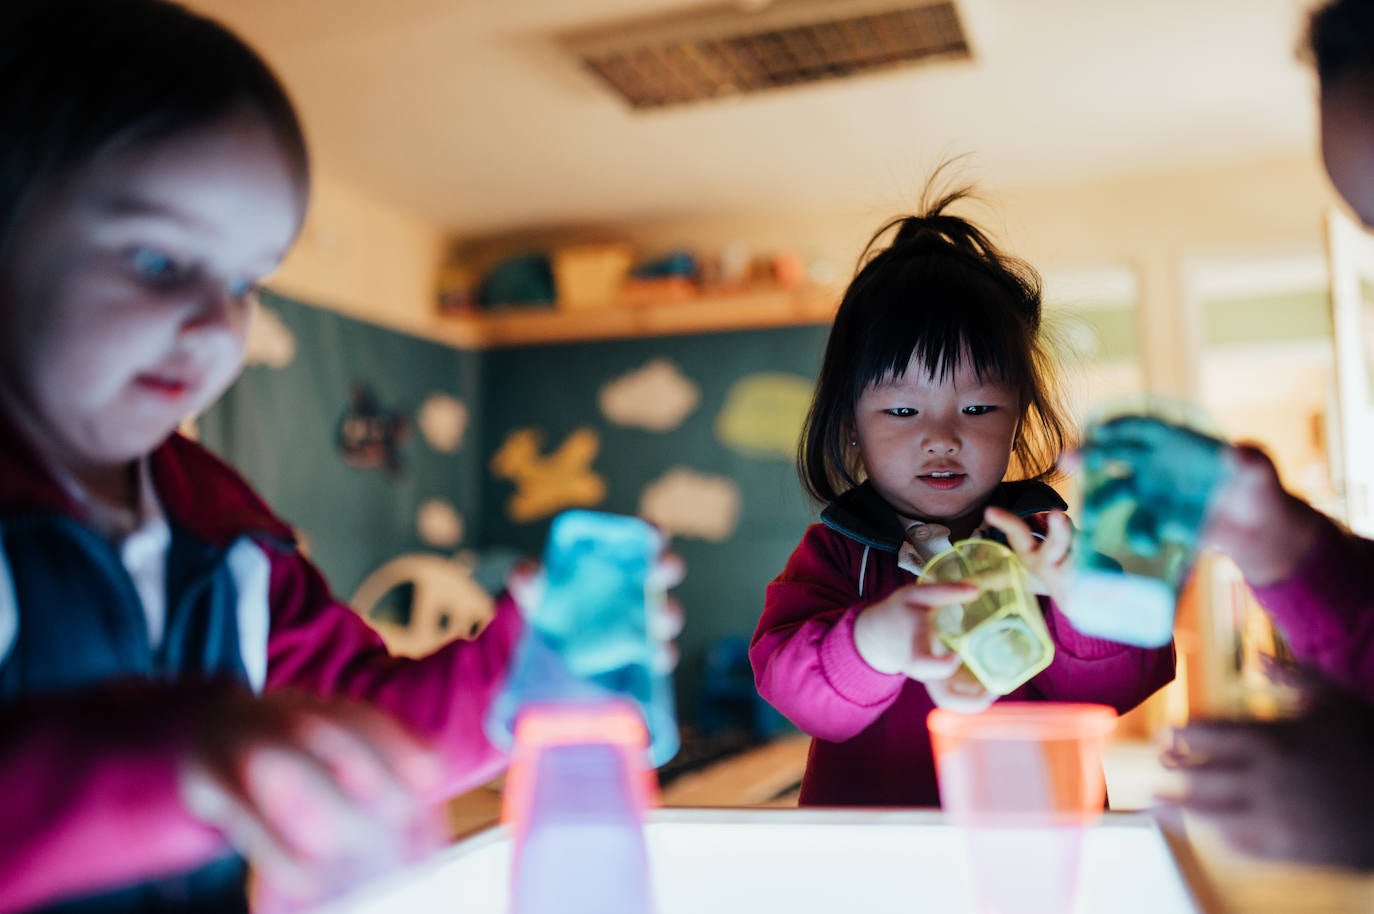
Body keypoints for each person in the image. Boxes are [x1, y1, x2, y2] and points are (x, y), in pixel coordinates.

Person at [0, 2, 686, 910]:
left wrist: (528, 662)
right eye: (161, 261)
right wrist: (187, 761)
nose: (218, 323)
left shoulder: (225, 531)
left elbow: (364, 728)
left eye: (248, 281)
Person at [749, 186, 1177, 807]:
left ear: (1018, 418)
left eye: (977, 407)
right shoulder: (838, 553)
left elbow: (1117, 687)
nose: (942, 437)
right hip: (873, 860)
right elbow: (791, 683)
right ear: (850, 425)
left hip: (1036, 840)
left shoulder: (1044, 543)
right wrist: (871, 643)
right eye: (902, 409)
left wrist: (1083, 602)